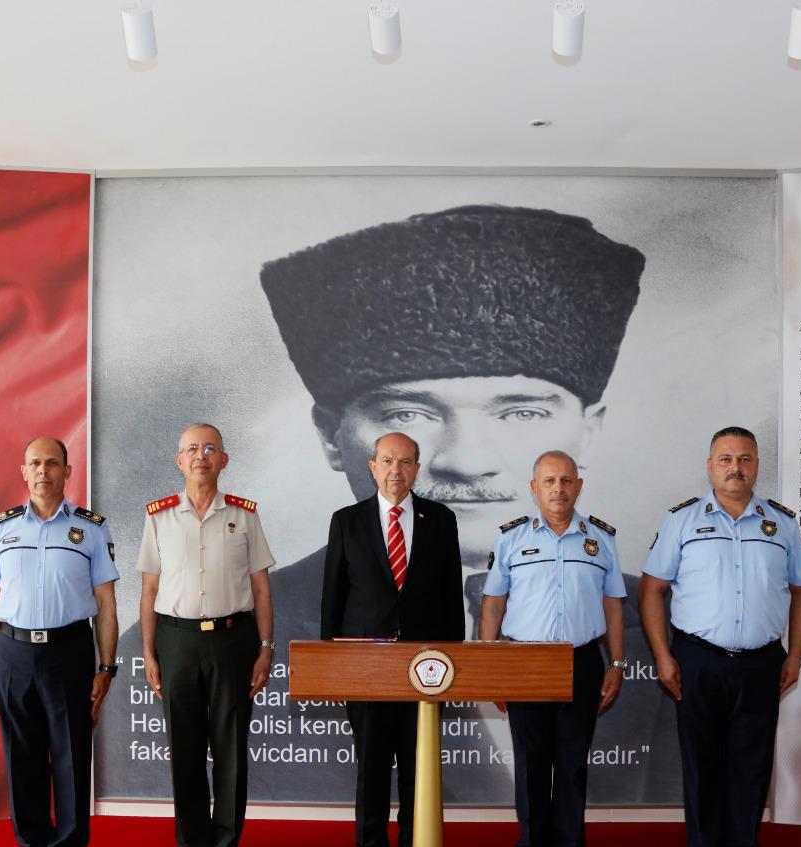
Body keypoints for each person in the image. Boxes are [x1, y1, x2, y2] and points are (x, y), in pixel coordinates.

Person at [261, 203, 682, 808]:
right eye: (408, 413)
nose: (466, 460)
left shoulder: (669, 627)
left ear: (587, 434)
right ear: (331, 437)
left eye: (522, 413)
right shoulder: (257, 628)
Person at [638, 427, 801, 847]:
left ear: (756, 464)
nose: (735, 467)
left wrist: (796, 655)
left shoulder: (781, 524)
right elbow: (652, 589)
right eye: (726, 459)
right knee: (702, 762)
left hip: (761, 662)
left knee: (751, 763)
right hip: (698, 659)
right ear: (710, 465)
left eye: (744, 459)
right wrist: (663, 655)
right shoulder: (682, 521)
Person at [0, 436, 119, 847]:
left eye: (52, 463)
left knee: (72, 755)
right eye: (34, 463)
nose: (43, 471)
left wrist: (107, 665)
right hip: (13, 652)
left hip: (69, 652)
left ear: (67, 471)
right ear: (23, 471)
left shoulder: (89, 529)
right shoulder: (1, 528)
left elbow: (106, 603)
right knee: (23, 757)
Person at [321, 431, 463, 847]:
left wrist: (453, 663)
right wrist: (334, 668)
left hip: (426, 670)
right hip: (365, 670)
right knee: (372, 768)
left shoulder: (440, 520)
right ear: (372, 466)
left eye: (405, 462)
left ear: (417, 468)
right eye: (387, 461)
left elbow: (450, 597)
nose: (395, 471)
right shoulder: (347, 521)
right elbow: (333, 599)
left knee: (420, 769)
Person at [479, 450, 626, 847]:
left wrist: (617, 663)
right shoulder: (511, 538)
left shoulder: (600, 539)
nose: (558, 489)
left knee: (572, 764)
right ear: (534, 488)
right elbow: (493, 605)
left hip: (582, 661)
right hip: (525, 664)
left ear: (578, 486)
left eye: (565, 481)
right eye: (549, 481)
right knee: (530, 766)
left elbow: (613, 606)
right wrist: (491, 670)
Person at [138, 423, 276, 847]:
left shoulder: (244, 516)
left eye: (210, 448)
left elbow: (261, 589)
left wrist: (265, 648)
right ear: (179, 460)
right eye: (192, 449)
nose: (201, 456)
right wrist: (149, 652)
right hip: (176, 642)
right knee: (186, 752)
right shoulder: (158, 518)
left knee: (231, 751)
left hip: (232, 642)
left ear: (224, 460)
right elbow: (149, 589)